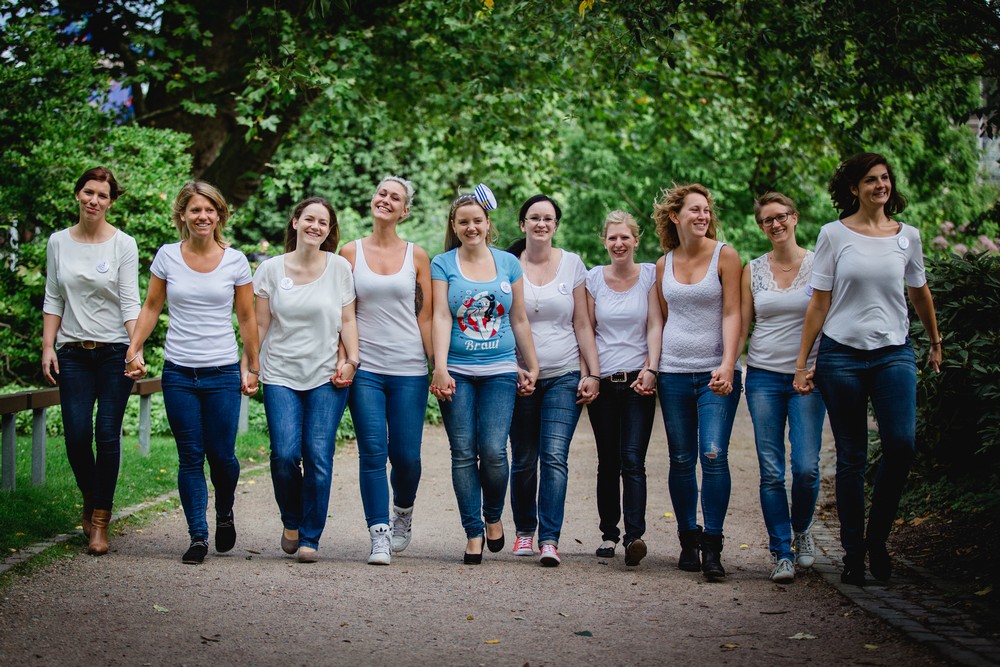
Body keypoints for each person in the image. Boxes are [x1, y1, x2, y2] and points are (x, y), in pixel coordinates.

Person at [794, 153, 941, 586]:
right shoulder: (833, 235)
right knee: (852, 456)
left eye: (885, 178)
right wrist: (803, 363)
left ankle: (878, 539)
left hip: (894, 353)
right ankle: (854, 553)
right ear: (855, 188)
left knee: (901, 445)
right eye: (871, 180)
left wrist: (935, 341)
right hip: (841, 356)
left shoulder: (907, 236)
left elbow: (919, 291)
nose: (881, 185)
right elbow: (819, 301)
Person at [125, 181, 259, 565]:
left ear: (219, 215)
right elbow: (151, 307)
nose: (203, 216)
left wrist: (252, 365)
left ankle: (225, 511)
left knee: (222, 456)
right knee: (189, 456)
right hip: (179, 372)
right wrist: (134, 347)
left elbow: (247, 316)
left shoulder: (235, 261)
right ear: (182, 214)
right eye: (195, 210)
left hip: (221, 372)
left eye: (210, 210)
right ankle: (197, 536)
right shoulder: (167, 256)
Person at [430, 186, 539, 564]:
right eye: (464, 222)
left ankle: (493, 515)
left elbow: (519, 317)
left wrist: (532, 365)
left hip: (500, 370)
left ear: (488, 223)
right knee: (463, 453)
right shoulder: (442, 264)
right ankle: (473, 531)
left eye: (477, 220)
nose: (471, 227)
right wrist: (439, 367)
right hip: (457, 371)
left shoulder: (509, 264)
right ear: (455, 226)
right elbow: (442, 316)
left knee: (493, 451)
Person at [41, 166, 140, 556]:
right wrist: (48, 346)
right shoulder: (58, 242)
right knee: (77, 434)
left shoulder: (123, 244)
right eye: (88, 192)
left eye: (102, 195)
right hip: (73, 352)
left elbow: (131, 301)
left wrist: (136, 347)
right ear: (78, 195)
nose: (94, 200)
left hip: (116, 350)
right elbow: (53, 297)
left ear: (110, 202)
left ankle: (100, 520)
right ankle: (93, 495)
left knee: (106, 434)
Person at [255, 197, 357, 563]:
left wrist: (352, 359)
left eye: (323, 223)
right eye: (309, 219)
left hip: (326, 376)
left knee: (318, 456)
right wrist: (249, 365)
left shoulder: (340, 268)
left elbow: (347, 320)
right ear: (295, 221)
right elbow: (261, 324)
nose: (315, 226)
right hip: (280, 372)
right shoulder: (269, 269)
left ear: (329, 231)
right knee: (284, 454)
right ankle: (291, 521)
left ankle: (310, 536)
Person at [652, 183, 742, 581]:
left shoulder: (726, 256)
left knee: (712, 454)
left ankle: (713, 545)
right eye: (694, 210)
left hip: (714, 374)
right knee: (682, 458)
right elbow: (659, 319)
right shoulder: (662, 264)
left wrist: (727, 363)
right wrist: (652, 368)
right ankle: (688, 538)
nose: (703, 216)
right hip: (672, 372)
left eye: (706, 210)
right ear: (676, 216)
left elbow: (734, 314)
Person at [340, 177, 431, 565]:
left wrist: (437, 367)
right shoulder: (349, 253)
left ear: (404, 210)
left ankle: (403, 513)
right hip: (366, 370)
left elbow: (426, 316)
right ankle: (379, 533)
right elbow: (342, 313)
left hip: (410, 368)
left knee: (407, 456)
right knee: (373, 453)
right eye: (382, 193)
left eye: (395, 197)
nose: (386, 200)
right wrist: (346, 358)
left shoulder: (417, 256)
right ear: (372, 199)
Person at [506, 195, 600, 567]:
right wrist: (512, 368)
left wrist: (592, 373)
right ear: (523, 224)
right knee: (525, 459)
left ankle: (549, 539)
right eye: (534, 218)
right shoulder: (508, 265)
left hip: (563, 375)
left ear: (556, 225)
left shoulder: (573, 264)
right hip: (518, 377)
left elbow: (582, 323)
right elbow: (503, 321)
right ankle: (524, 533)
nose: (541, 224)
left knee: (555, 457)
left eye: (548, 218)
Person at [739, 192, 825, 583]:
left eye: (781, 217)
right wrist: (728, 363)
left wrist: (810, 366)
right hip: (762, 376)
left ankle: (802, 528)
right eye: (767, 220)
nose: (775, 225)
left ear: (795, 217)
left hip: (807, 376)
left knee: (806, 467)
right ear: (761, 226)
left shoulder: (820, 264)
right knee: (771, 470)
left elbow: (829, 316)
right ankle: (781, 551)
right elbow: (742, 322)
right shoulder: (752, 269)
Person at [585, 210, 661, 567]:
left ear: (636, 240)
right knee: (607, 461)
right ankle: (608, 534)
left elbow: (656, 324)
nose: (618, 243)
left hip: (637, 382)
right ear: (605, 241)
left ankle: (635, 536)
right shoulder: (592, 279)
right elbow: (583, 329)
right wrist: (591, 375)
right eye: (612, 238)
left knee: (633, 459)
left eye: (625, 237)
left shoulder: (650, 275)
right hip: (603, 381)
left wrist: (651, 369)